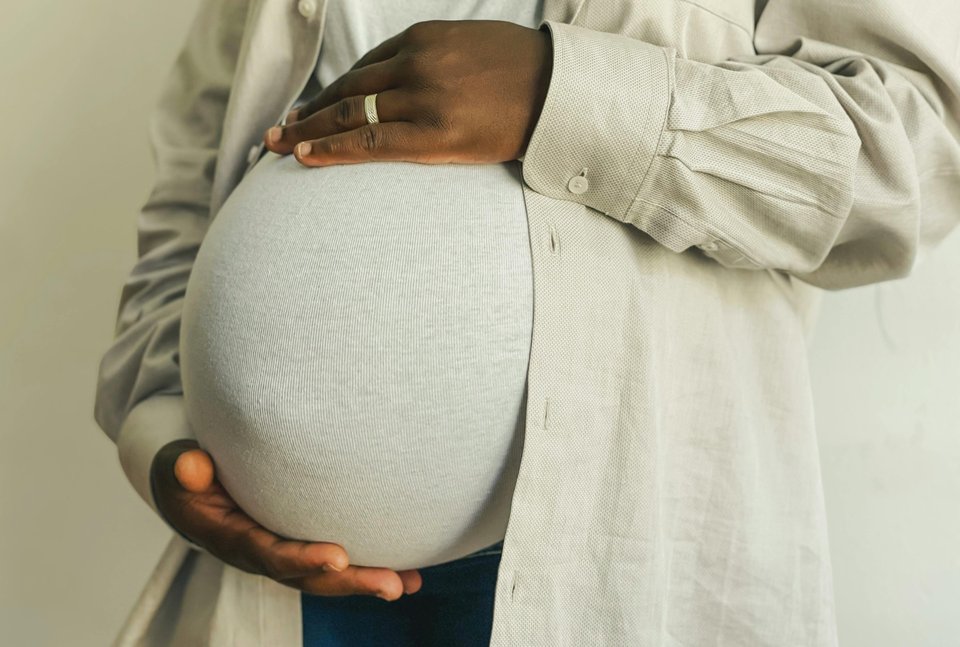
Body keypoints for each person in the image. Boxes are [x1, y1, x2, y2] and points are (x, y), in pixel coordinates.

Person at [93, 0, 960, 645]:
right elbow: (193, 180)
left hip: (618, 561)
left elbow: (913, 162)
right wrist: (165, 428)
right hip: (283, 579)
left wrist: (565, 95)